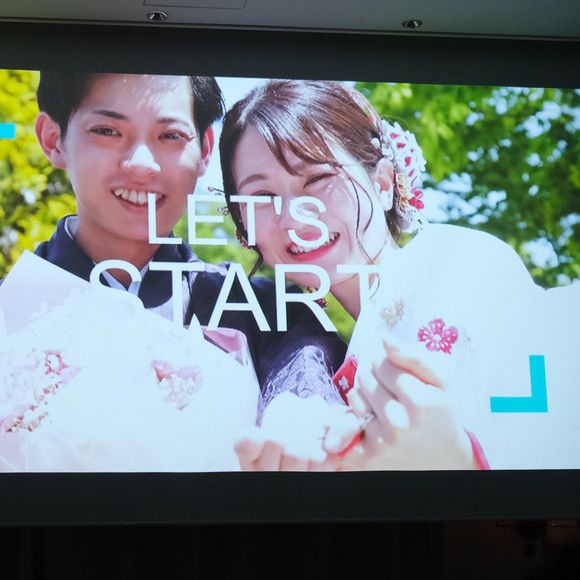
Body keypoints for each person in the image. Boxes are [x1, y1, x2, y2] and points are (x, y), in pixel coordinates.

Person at [220, 79, 580, 470]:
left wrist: (460, 457)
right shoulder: (322, 359)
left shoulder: (459, 262)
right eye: (262, 197)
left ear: (382, 182)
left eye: (318, 178)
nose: (294, 217)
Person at [1, 72, 353, 469]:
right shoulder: (9, 307)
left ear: (205, 150)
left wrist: (299, 418)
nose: (141, 164)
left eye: (170, 135)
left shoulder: (264, 309)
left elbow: (303, 371)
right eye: (107, 131)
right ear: (53, 139)